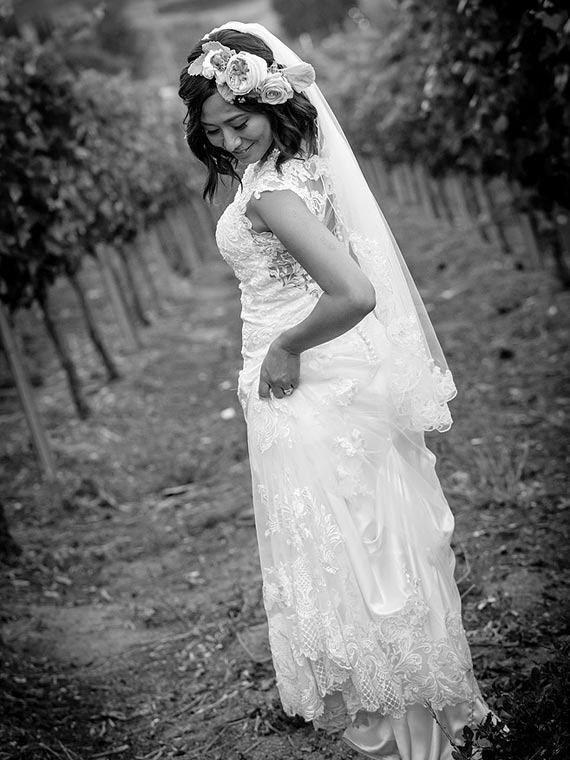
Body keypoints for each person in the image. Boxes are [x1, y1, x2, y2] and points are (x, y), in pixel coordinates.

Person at [178, 21, 489, 760]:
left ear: (271, 100)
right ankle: (432, 725)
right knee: (377, 545)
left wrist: (285, 346)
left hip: (311, 386)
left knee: (355, 554)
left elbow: (354, 290)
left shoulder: (274, 192)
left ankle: (415, 734)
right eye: (214, 129)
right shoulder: (297, 168)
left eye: (240, 120)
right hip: (334, 380)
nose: (228, 141)